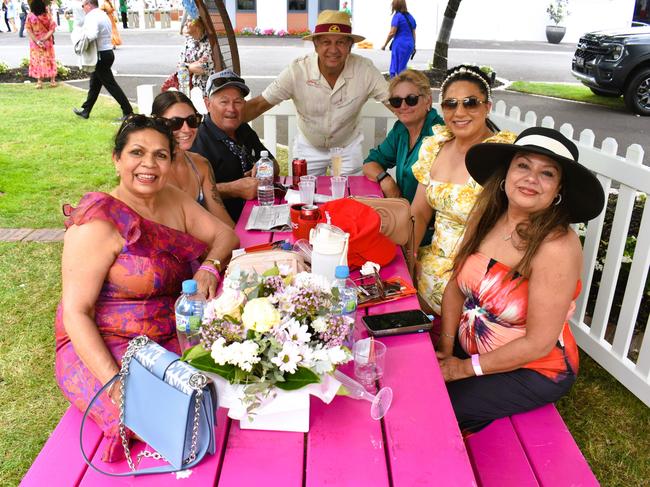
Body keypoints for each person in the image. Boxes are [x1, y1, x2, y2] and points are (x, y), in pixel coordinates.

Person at [55, 114, 239, 462]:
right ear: (117, 159)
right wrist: (114, 382)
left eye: (160, 155)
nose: (148, 165)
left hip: (169, 333)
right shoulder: (97, 222)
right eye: (137, 153)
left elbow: (225, 235)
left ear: (172, 161)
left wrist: (211, 267)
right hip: (105, 343)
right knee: (163, 424)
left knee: (225, 399)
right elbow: (76, 313)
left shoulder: (171, 199)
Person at [436, 126, 605, 434]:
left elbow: (538, 344)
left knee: (437, 411)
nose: (531, 178)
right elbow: (455, 287)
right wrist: (446, 346)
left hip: (534, 368)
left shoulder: (557, 247)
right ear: (506, 174)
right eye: (523, 165)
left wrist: (462, 368)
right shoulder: (488, 215)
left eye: (547, 173)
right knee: (416, 385)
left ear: (559, 191)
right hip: (474, 352)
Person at [411, 65, 516, 315]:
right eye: (450, 104)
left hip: (478, 268)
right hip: (432, 261)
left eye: (470, 103)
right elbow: (419, 213)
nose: (460, 112)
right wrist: (410, 255)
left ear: (487, 107)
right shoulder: (435, 146)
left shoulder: (502, 154)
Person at [243, 10, 389, 176]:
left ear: (350, 46)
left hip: (347, 147)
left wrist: (423, 123)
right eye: (326, 42)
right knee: (304, 197)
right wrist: (218, 125)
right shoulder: (298, 70)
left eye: (340, 42)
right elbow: (259, 104)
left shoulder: (365, 70)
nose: (333, 50)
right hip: (308, 147)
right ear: (316, 45)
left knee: (350, 195)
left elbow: (395, 101)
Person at [362, 69, 443, 246]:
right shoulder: (401, 130)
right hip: (404, 218)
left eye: (411, 99)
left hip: (430, 233)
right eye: (396, 101)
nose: (403, 106)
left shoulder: (438, 134)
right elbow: (370, 163)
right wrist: (386, 181)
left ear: (427, 100)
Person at [192, 70, 279, 223]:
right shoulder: (197, 140)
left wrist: (263, 167)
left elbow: (273, 163)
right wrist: (232, 189)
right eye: (224, 102)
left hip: (258, 215)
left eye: (238, 102)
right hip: (221, 225)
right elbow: (189, 192)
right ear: (208, 104)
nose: (232, 109)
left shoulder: (243, 129)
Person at [151, 91, 235, 227]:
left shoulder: (201, 165)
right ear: (157, 124)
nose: (186, 129)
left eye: (192, 120)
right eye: (175, 123)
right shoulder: (150, 172)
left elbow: (224, 222)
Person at [72, 0, 133, 120]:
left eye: (83, 5)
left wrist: (81, 38)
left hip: (99, 55)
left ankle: (128, 111)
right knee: (94, 84)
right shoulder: (102, 14)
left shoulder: (91, 16)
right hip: (107, 52)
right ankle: (86, 110)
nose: (83, 8)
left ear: (89, 4)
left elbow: (92, 35)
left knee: (110, 85)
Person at [178, 17, 215, 96]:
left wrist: (187, 67)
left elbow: (202, 68)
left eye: (189, 21)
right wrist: (192, 66)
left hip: (209, 91)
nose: (185, 24)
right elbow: (180, 65)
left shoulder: (210, 42)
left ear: (198, 24)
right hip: (190, 89)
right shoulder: (189, 41)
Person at [25, 0, 57, 89]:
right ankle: (53, 80)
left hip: (35, 42)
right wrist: (44, 39)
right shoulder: (47, 15)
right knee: (49, 59)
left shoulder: (30, 16)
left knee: (37, 60)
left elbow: (28, 29)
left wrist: (37, 40)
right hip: (47, 41)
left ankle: (39, 82)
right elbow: (52, 28)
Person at [381, 0, 416, 78]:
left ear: (395, 5)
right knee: (402, 66)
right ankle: (401, 85)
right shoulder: (410, 17)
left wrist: (385, 44)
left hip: (400, 44)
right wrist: (414, 45)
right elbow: (413, 33)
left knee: (395, 68)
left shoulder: (397, 16)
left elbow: (392, 33)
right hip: (410, 44)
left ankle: (396, 86)